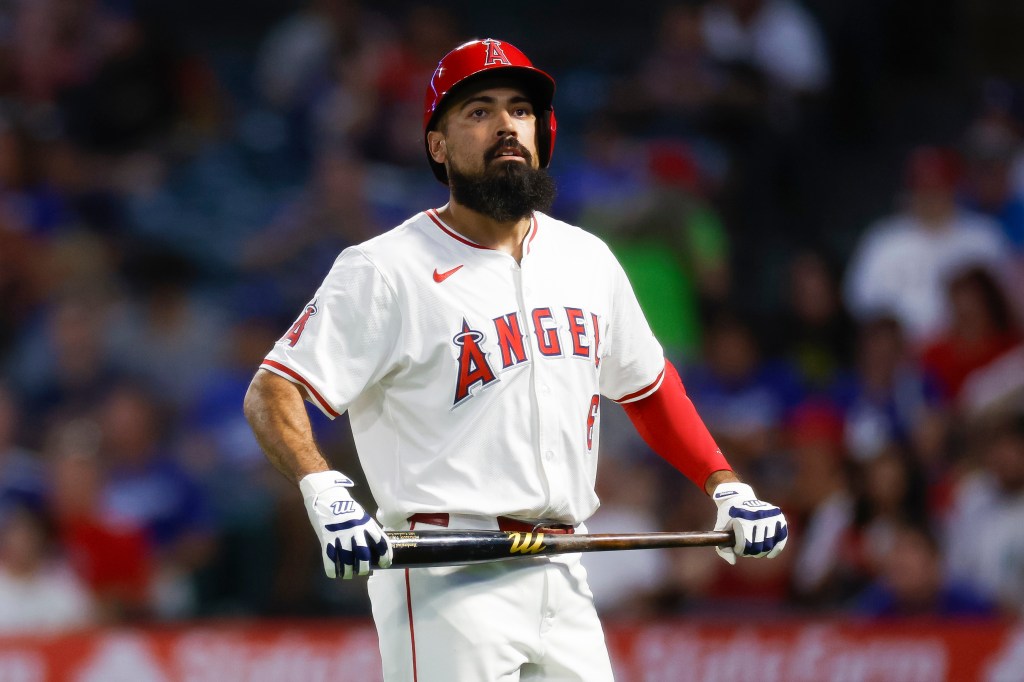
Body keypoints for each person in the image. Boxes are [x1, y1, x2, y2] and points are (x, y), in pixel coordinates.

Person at [243, 38, 788, 681]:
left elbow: (648, 388)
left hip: (563, 564)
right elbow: (273, 388)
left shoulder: (586, 258)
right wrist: (324, 491)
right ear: (438, 145)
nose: (506, 125)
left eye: (520, 110)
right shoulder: (382, 268)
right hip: (444, 571)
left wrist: (726, 486)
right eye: (478, 111)